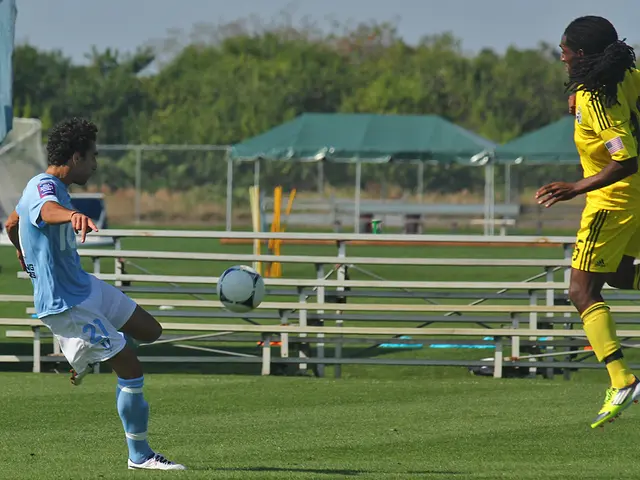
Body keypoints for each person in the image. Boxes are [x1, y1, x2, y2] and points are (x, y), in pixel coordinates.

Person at [3, 117, 186, 470]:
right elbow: (45, 211)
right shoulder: (44, 188)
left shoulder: (44, 185)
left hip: (84, 286)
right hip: (66, 303)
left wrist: (20, 248)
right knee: (130, 366)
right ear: (75, 157)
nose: (95, 164)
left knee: (150, 331)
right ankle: (141, 456)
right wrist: (72, 215)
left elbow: (13, 222)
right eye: (92, 157)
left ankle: (87, 351)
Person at [535, 15, 640, 428]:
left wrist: (574, 188)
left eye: (564, 51)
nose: (561, 58)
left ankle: (622, 379)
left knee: (580, 290)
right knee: (617, 274)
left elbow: (624, 159)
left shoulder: (599, 100)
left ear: (582, 55)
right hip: (634, 195)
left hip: (612, 199)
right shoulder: (625, 76)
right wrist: (580, 94)